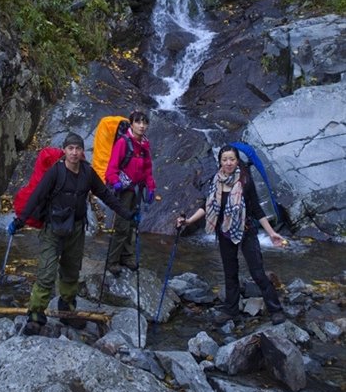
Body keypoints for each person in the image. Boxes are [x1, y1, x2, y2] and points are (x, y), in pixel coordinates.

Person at [7, 132, 140, 335]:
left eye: (78, 148)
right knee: (46, 273)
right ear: (65, 151)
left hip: (76, 230)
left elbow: (105, 194)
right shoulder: (55, 172)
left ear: (82, 152)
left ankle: (67, 310)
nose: (74, 153)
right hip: (53, 229)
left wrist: (127, 214)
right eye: (70, 148)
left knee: (71, 272)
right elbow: (37, 196)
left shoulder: (87, 173)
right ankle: (35, 316)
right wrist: (19, 221)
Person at [177, 144, 286, 325]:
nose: (228, 163)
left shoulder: (245, 181)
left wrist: (272, 233)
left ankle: (276, 309)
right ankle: (231, 310)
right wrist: (188, 221)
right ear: (220, 161)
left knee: (258, 273)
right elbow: (207, 206)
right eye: (225, 159)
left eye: (232, 159)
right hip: (224, 233)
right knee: (230, 273)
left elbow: (257, 209)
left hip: (246, 231)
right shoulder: (215, 181)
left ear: (237, 161)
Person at [105, 111, 156, 276]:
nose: (141, 126)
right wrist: (115, 183)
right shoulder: (123, 143)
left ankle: (126, 257)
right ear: (131, 124)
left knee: (133, 224)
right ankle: (112, 261)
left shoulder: (145, 145)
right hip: (124, 190)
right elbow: (111, 168)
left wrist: (151, 187)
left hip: (137, 190)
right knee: (121, 225)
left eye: (144, 123)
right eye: (138, 122)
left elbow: (148, 169)